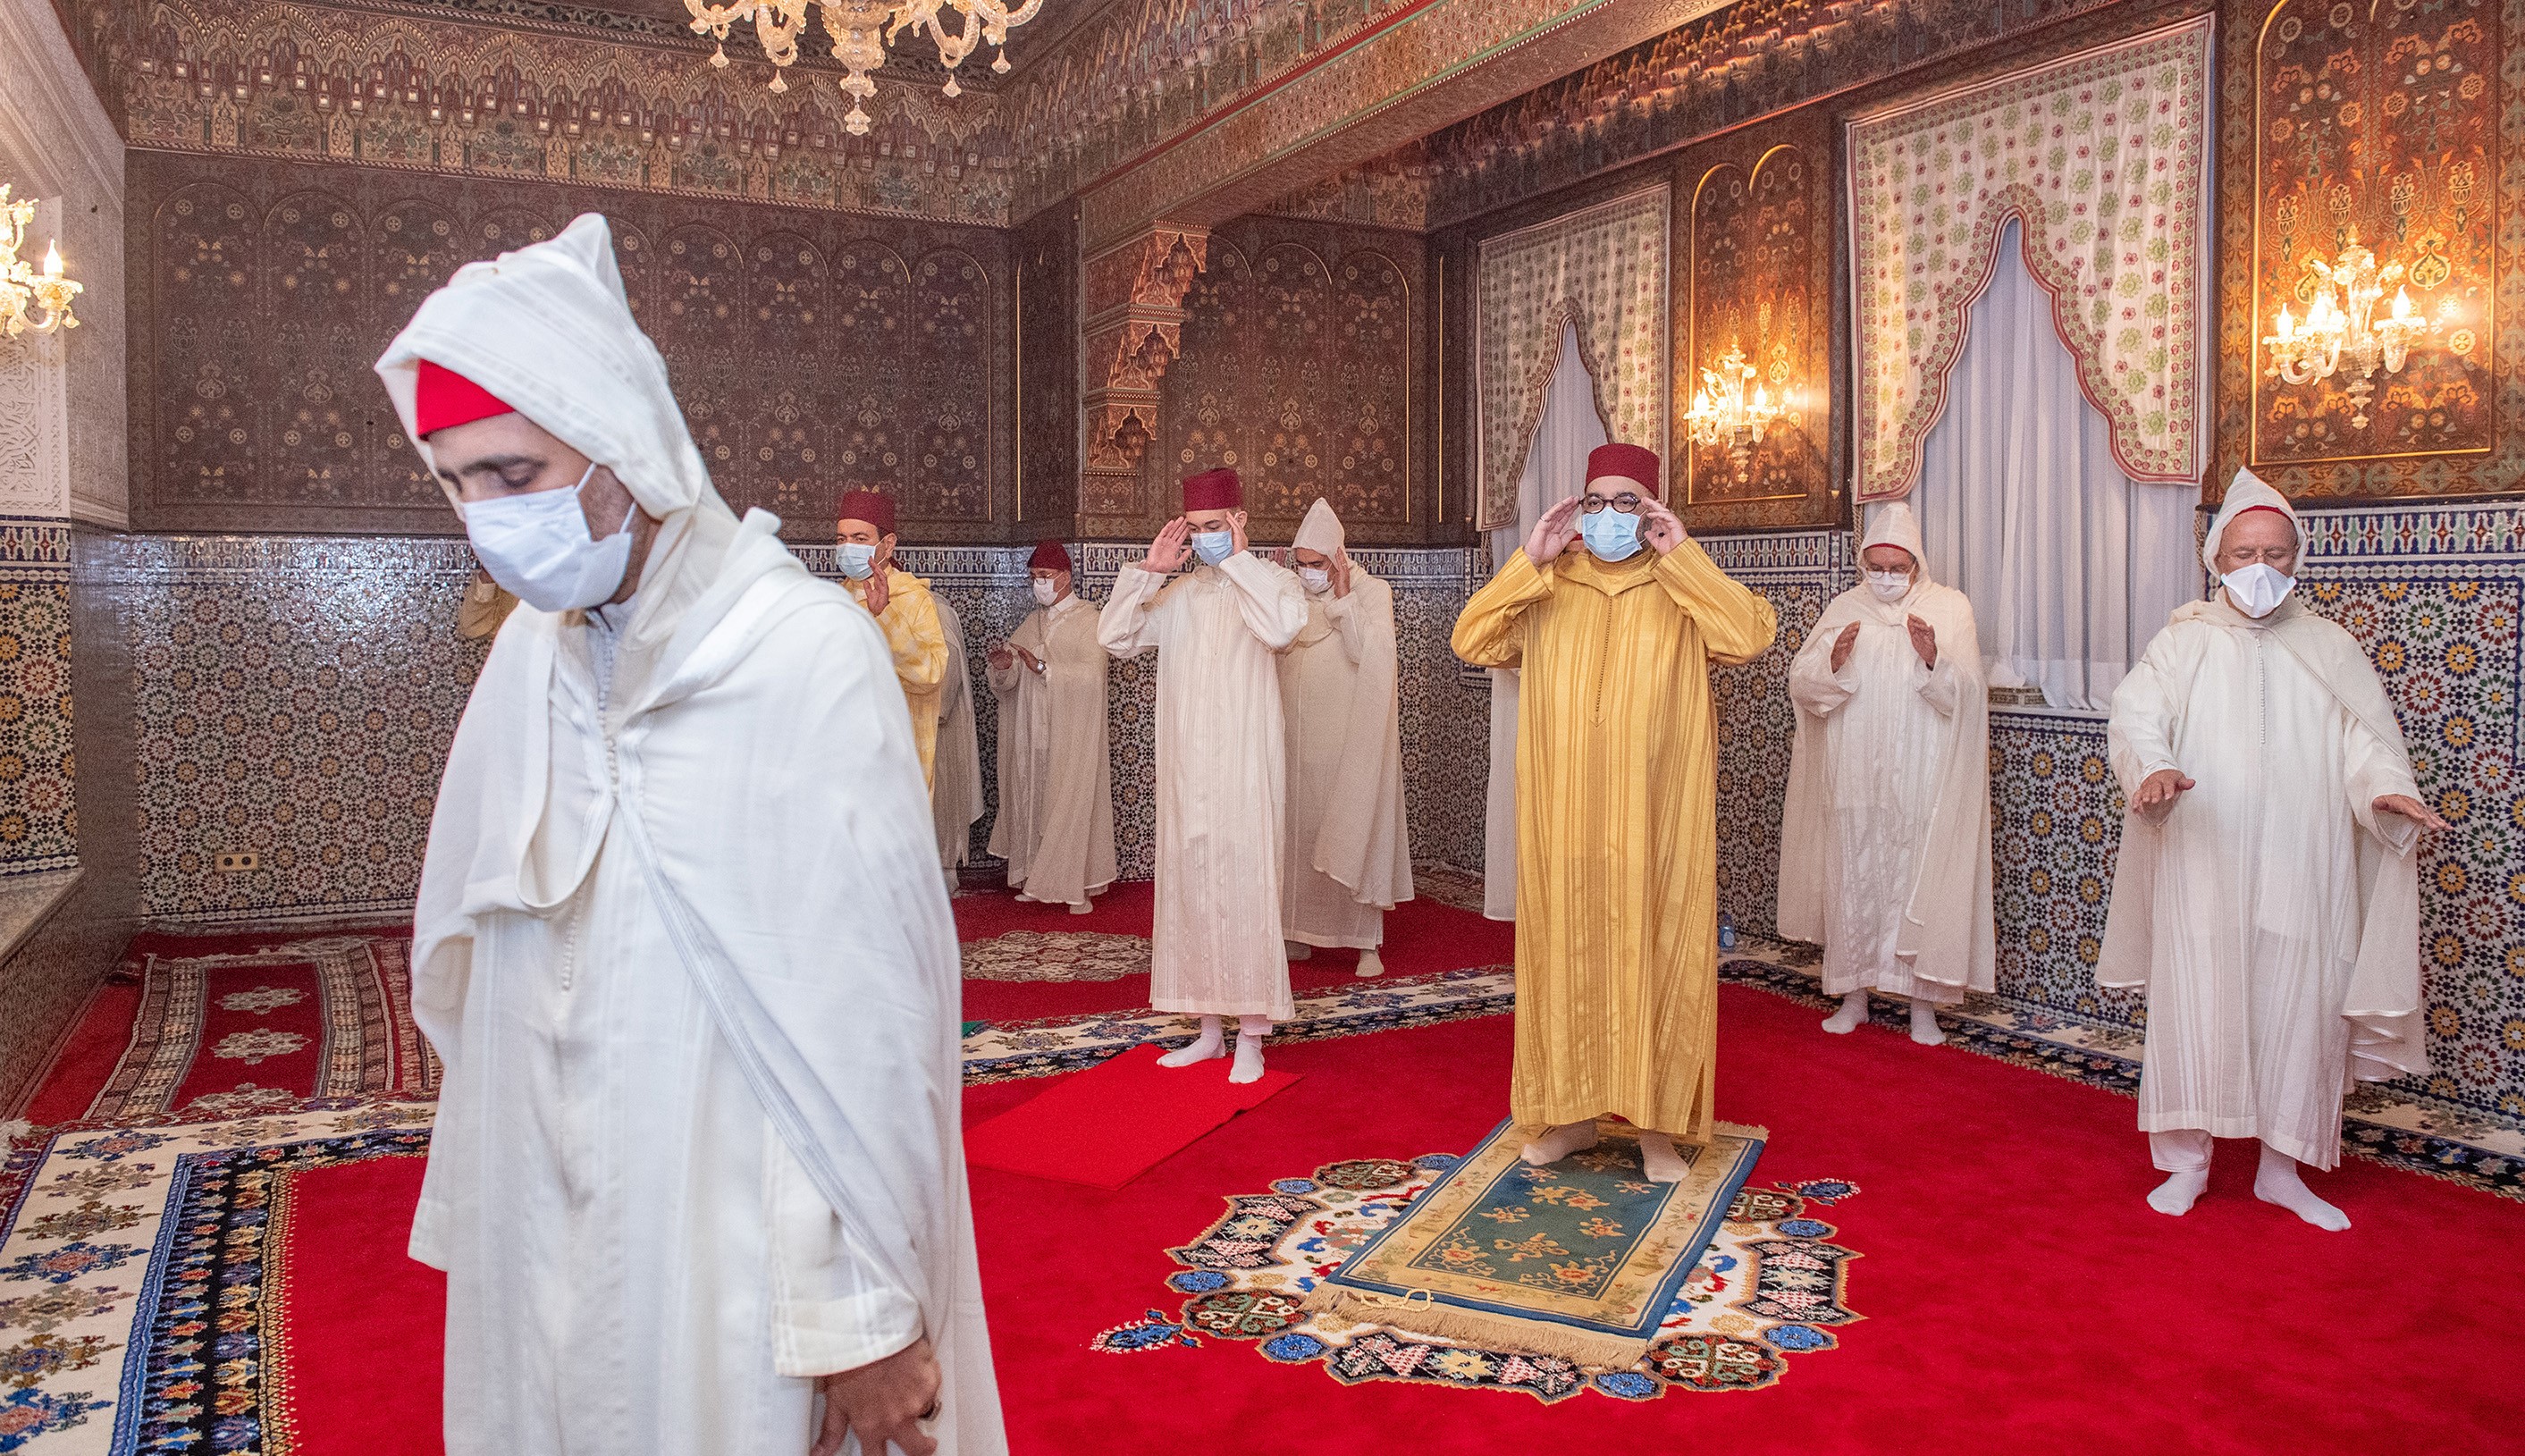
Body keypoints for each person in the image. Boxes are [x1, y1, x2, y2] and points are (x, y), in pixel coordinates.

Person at [376, 214, 1002, 1456]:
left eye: (514, 475)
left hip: (724, 1253)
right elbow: (471, 959)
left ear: (621, 449)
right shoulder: (524, 662)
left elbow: (862, 1026)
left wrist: (859, 1313)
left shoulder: (802, 653)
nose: (485, 517)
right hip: (541, 1226)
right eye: (455, 484)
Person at [2101, 470, 2444, 1231]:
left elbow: (2366, 741)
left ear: (2298, 558)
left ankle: (2281, 1168)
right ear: (2215, 558)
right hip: (2202, 856)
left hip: (2301, 858)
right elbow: (2136, 714)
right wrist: (2151, 765)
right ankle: (2186, 1164)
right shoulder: (2180, 639)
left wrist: (2384, 791)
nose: (2259, 567)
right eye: (2243, 551)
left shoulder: (2330, 646)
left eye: (2275, 552)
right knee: (2196, 997)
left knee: (2301, 1002)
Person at [1451, 442, 1777, 1181]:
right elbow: (1471, 638)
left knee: (1655, 948)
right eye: (1593, 501)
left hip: (1655, 815)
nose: (1605, 515)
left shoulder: (1678, 588)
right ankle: (1567, 1115)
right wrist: (1529, 560)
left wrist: (1683, 556)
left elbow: (1749, 634)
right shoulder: (1549, 584)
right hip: (1562, 810)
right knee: (1565, 952)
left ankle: (1656, 1127)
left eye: (1625, 501)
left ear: (1652, 511)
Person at [1099, 467, 1309, 1083]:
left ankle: (1251, 1035)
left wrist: (1241, 562)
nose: (1206, 538)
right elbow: (1113, 636)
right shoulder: (1181, 595)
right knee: (1191, 887)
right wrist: (1149, 573)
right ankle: (1208, 1031)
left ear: (1239, 521)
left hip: (1246, 764)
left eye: (1214, 526)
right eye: (1195, 529)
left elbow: (1279, 629)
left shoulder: (1275, 583)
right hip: (1188, 767)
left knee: (1245, 887)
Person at [1778, 501, 1992, 1045]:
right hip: (1854, 773)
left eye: (1898, 568)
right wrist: (1833, 661)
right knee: (1852, 876)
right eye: (1877, 567)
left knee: (1918, 877)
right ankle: (1854, 996)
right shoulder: (1846, 606)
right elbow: (1803, 684)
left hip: (1923, 774)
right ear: (1863, 563)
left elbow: (1967, 696)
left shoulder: (1950, 608)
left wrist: (1932, 659)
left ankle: (1923, 1007)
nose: (1887, 578)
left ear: (1917, 564)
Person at [1277, 498, 1413, 978]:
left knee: (1352, 822)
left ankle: (1363, 943)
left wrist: (1341, 598)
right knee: (1298, 826)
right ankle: (1297, 931)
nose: (1307, 572)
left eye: (1316, 564)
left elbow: (1369, 656)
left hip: (1347, 739)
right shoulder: (1292, 592)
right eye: (1301, 564)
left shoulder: (1372, 591)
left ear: (1338, 556)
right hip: (1295, 739)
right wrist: (1276, 588)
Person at [986, 541, 1116, 914]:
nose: (1038, 584)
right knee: (1034, 797)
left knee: (1071, 798)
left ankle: (1078, 886)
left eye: (1044, 577)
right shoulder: (1033, 622)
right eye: (1033, 578)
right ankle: (1035, 876)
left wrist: (1044, 670)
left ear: (1065, 576)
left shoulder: (1089, 620)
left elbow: (1093, 678)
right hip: (1032, 733)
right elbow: (1008, 684)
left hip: (1071, 734)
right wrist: (1003, 667)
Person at [838, 488, 949, 793]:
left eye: (860, 539)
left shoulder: (914, 600)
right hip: (843, 757)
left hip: (895, 760)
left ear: (887, 544)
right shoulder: (836, 599)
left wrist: (885, 615)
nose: (848, 547)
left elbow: (932, 674)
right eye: (841, 539)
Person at [932, 593, 985, 896]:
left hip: (937, 727)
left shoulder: (931, 606)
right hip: (895, 726)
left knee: (942, 802)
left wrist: (931, 710)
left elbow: (947, 661)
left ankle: (945, 874)